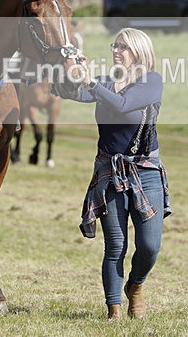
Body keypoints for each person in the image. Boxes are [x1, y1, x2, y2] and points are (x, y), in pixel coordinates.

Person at [73, 28, 171, 320]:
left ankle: (135, 285)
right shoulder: (106, 81)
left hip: (145, 171)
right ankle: (113, 310)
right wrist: (70, 70)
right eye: (114, 45)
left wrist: (90, 82)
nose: (116, 51)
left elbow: (123, 105)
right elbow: (71, 91)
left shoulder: (151, 81)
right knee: (115, 245)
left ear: (138, 52)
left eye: (122, 47)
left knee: (150, 246)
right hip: (110, 171)